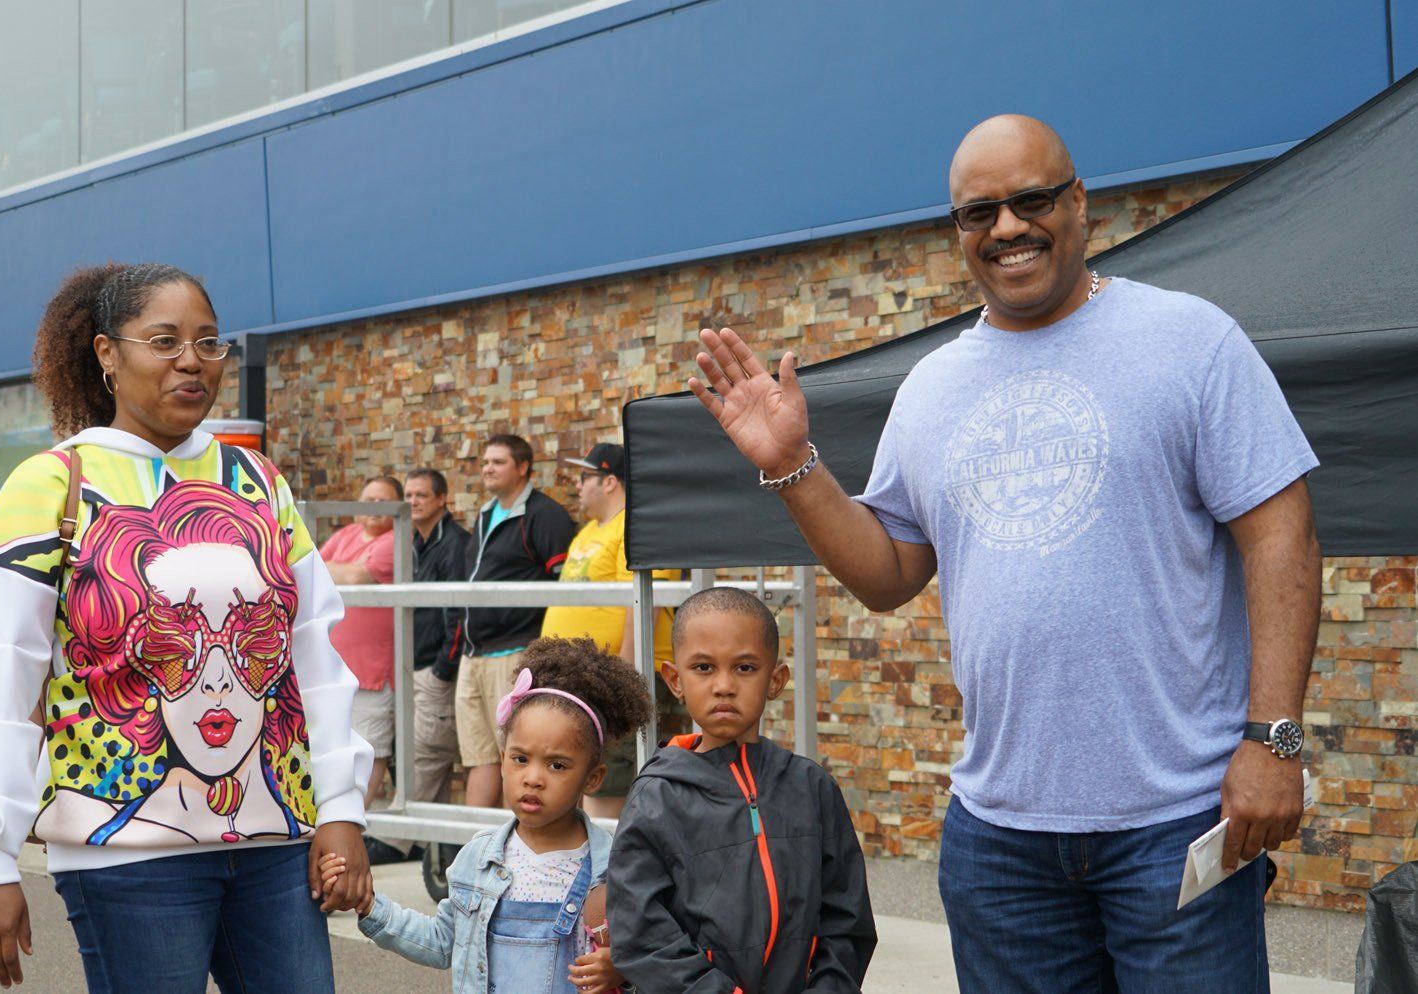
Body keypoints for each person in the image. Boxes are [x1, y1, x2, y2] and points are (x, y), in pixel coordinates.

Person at [688, 115, 1321, 993]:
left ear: (1081, 203)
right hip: (1000, 843)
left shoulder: (1190, 341)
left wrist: (1276, 741)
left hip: (1178, 818)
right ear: (958, 232)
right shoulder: (934, 387)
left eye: (1032, 199)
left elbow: (1282, 536)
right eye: (979, 212)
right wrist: (792, 466)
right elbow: (886, 575)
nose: (1009, 227)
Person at [0, 263, 374, 992]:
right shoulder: (51, 485)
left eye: (207, 343)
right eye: (164, 341)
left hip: (275, 847)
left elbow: (314, 661)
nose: (191, 361)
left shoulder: (258, 484)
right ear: (108, 354)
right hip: (126, 858)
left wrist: (341, 811)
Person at [321, 636, 652, 994]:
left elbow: (651, 948)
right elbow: (441, 941)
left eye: (556, 765)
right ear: (502, 760)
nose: (533, 778)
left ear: (592, 778)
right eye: (520, 759)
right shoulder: (479, 859)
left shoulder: (613, 866)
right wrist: (371, 907)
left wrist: (621, 967)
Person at [607, 586, 876, 992]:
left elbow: (846, 918)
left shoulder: (812, 788)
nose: (724, 685)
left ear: (776, 679)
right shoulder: (657, 797)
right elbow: (642, 931)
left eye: (745, 667)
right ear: (675, 680)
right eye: (703, 668)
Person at [540, 442, 678, 818]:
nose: (578, 486)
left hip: (616, 680)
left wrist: (622, 680)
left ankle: (605, 874)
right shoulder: (587, 533)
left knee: (608, 784)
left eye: (585, 477)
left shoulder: (636, 526)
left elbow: (643, 605)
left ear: (611, 482)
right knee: (578, 778)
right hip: (580, 680)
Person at [455, 434, 575, 808]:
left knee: (517, 756)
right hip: (473, 655)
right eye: (485, 462)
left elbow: (563, 586)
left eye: (498, 462)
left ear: (522, 467)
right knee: (479, 758)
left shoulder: (546, 515)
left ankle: (519, 853)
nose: (487, 468)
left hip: (514, 652)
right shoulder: (485, 513)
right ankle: (474, 856)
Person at [367, 467, 470, 865]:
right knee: (428, 757)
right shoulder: (412, 541)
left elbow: (459, 610)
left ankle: (396, 840)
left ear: (442, 499)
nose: (411, 502)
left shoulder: (454, 544)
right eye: (407, 494)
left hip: (435, 668)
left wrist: (444, 669)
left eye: (421, 495)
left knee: (424, 752)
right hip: (413, 666)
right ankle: (437, 844)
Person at [320, 474, 403, 809]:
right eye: (368, 501)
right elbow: (307, 566)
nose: (374, 508)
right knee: (334, 748)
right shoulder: (348, 534)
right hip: (335, 667)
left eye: (383, 502)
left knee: (369, 748)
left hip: (374, 670)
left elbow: (357, 576)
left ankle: (357, 820)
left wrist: (336, 569)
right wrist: (338, 568)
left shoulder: (396, 539)